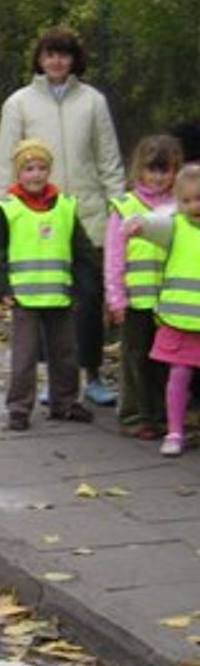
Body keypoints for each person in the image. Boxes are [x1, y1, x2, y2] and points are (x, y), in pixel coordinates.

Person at [0, 26, 126, 406]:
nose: (56, 61)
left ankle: (94, 375)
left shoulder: (94, 102)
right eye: (49, 54)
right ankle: (54, 380)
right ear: (39, 59)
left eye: (64, 54)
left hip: (87, 218)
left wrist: (119, 212)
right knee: (46, 302)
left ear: (74, 59)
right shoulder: (17, 104)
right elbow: (6, 164)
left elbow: (109, 160)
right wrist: (1, 217)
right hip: (35, 224)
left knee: (87, 298)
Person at [0, 139, 96, 430]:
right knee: (24, 357)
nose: (35, 175)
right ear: (18, 173)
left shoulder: (64, 207)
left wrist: (83, 286)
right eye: (28, 168)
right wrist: (2, 289)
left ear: (49, 171)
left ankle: (64, 402)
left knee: (65, 352)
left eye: (41, 168)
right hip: (24, 297)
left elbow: (82, 250)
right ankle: (19, 408)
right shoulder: (9, 209)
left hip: (60, 294)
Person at [104, 135, 182, 439]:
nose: (159, 177)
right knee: (134, 357)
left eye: (166, 170)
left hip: (169, 300)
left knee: (165, 361)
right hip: (135, 299)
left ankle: (163, 415)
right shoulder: (125, 206)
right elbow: (114, 257)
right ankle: (134, 416)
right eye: (153, 169)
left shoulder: (181, 206)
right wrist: (116, 298)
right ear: (140, 169)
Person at [122, 164, 200, 456]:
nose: (194, 206)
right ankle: (175, 430)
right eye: (187, 200)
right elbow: (155, 225)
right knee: (177, 376)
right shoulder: (175, 226)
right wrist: (137, 225)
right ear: (177, 202)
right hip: (179, 320)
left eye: (199, 198)